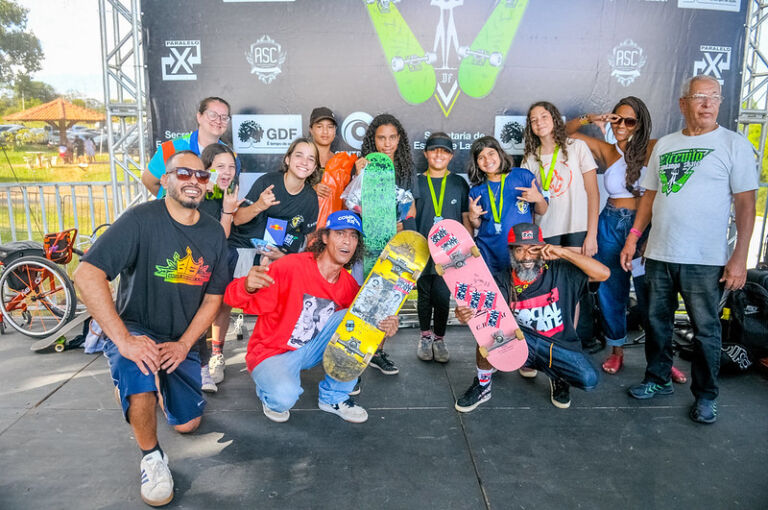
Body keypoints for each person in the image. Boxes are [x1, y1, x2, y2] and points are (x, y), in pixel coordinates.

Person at [73, 150, 230, 507]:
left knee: (187, 425)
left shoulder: (213, 233)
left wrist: (183, 344)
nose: (193, 180)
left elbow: (213, 300)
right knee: (140, 372)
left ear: (208, 184)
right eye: (183, 173)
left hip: (180, 340)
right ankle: (152, 456)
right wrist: (124, 340)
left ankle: (139, 386)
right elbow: (87, 273)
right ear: (166, 179)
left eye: (201, 176)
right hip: (137, 330)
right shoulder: (140, 220)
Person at [620, 75, 758, 424]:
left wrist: (739, 257)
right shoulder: (665, 144)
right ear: (684, 103)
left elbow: (745, 203)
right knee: (656, 322)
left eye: (714, 97)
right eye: (700, 97)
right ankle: (657, 379)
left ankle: (706, 396)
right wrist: (634, 237)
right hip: (659, 254)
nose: (708, 104)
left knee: (706, 329)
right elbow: (650, 195)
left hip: (705, 259)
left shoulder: (733, 144)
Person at [224, 211, 400, 424]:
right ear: (325, 238)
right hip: (272, 352)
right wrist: (246, 286)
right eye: (340, 233)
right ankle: (268, 389)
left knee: (359, 316)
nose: (347, 240)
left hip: (312, 351)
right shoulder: (291, 266)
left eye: (354, 236)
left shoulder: (349, 285)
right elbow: (233, 298)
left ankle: (333, 397)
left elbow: (363, 336)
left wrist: (383, 327)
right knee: (282, 400)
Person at [566, 97, 688, 382]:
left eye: (628, 120)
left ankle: (662, 359)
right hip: (611, 224)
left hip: (645, 228)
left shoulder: (655, 147)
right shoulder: (608, 151)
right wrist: (592, 117)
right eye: (616, 118)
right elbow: (568, 132)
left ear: (641, 123)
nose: (621, 125)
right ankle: (617, 350)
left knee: (655, 296)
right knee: (612, 291)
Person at [455, 223, 609, 412]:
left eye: (533, 249)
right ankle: (483, 385)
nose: (527, 257)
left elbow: (604, 273)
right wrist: (466, 314)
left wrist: (562, 252)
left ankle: (558, 377)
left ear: (543, 249)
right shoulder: (501, 280)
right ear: (511, 251)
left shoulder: (561, 270)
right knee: (488, 331)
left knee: (589, 378)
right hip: (522, 343)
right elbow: (483, 315)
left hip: (557, 346)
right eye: (520, 250)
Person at [464, 135, 548, 390]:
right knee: (494, 311)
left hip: (521, 257)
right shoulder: (477, 190)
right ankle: (496, 357)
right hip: (490, 255)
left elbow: (542, 210)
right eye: (481, 158)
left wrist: (537, 198)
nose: (487, 160)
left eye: (490, 154)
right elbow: (478, 226)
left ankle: (528, 358)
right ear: (477, 165)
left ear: (500, 154)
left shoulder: (521, 176)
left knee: (526, 308)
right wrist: (474, 217)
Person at [348, 113, 415, 375]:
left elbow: (413, 210)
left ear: (399, 139)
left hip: (393, 243)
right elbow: (350, 203)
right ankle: (352, 347)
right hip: (364, 244)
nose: (387, 143)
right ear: (372, 140)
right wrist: (358, 176)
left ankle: (378, 351)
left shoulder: (407, 169)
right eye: (381, 138)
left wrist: (400, 222)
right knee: (360, 297)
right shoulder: (363, 166)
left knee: (386, 299)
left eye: (392, 137)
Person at [412, 132, 470, 363]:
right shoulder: (416, 181)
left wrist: (468, 248)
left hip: (450, 252)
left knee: (442, 295)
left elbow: (465, 217)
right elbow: (410, 215)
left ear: (451, 156)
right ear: (425, 153)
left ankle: (439, 338)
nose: (438, 154)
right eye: (434, 149)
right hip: (423, 249)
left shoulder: (458, 182)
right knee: (424, 295)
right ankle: (425, 337)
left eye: (444, 151)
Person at [229, 137, 320, 274]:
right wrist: (259, 205)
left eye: (311, 159)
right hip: (244, 250)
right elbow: (237, 219)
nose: (304, 162)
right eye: (299, 156)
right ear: (287, 160)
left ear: (314, 168)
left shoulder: (310, 198)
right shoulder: (267, 182)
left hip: (278, 257)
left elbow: (308, 236)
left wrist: (284, 256)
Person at [522, 101, 599, 255]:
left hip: (578, 229)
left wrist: (592, 235)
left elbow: (593, 194)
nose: (539, 122)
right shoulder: (529, 160)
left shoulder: (577, 147)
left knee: (576, 278)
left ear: (554, 119)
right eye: (534, 120)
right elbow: (529, 208)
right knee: (550, 278)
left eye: (544, 116)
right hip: (545, 231)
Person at [197, 143, 243, 392]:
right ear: (207, 169)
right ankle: (199, 362)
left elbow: (223, 235)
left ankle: (216, 355)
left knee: (221, 303)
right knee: (199, 310)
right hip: (193, 263)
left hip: (220, 258)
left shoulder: (228, 193)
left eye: (232, 167)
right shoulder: (196, 193)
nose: (227, 172)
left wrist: (231, 208)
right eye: (220, 166)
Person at [141, 96, 238, 198]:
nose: (218, 121)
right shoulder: (171, 148)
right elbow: (149, 181)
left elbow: (228, 193)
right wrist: (173, 200)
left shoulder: (231, 156)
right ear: (199, 117)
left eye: (224, 117)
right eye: (212, 115)